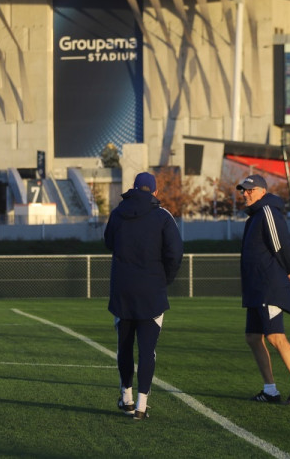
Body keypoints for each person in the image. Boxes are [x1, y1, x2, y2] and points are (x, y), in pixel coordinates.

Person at [104, 172, 183, 421]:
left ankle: (126, 398)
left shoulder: (118, 213)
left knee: (124, 347)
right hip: (151, 291)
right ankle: (141, 405)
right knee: (147, 350)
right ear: (155, 192)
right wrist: (165, 279)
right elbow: (175, 252)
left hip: (123, 290)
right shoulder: (162, 216)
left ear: (133, 188)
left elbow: (108, 242)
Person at [236, 174, 290, 406]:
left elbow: (281, 244)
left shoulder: (268, 211)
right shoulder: (255, 216)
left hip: (269, 286)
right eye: (243, 190)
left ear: (261, 191)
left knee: (275, 336)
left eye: (250, 190)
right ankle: (270, 390)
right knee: (252, 337)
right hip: (256, 289)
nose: (245, 193)